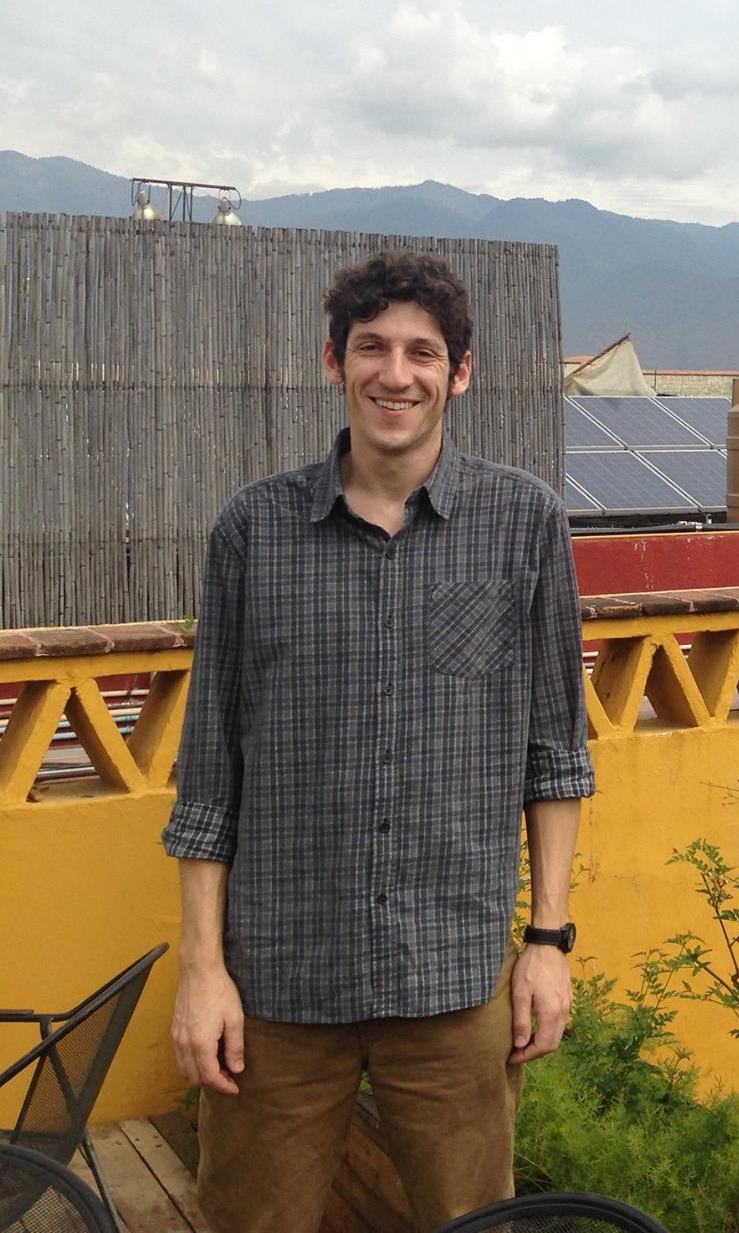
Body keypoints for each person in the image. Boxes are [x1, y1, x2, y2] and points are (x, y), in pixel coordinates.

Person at [162, 251, 594, 1232]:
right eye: (372, 348)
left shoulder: (523, 524)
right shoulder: (253, 532)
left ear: (460, 373)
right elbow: (208, 778)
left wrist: (548, 945)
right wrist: (201, 971)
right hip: (277, 983)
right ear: (334, 362)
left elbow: (556, 754)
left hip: (452, 978)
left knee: (472, 1222)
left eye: (420, 352)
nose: (395, 373)